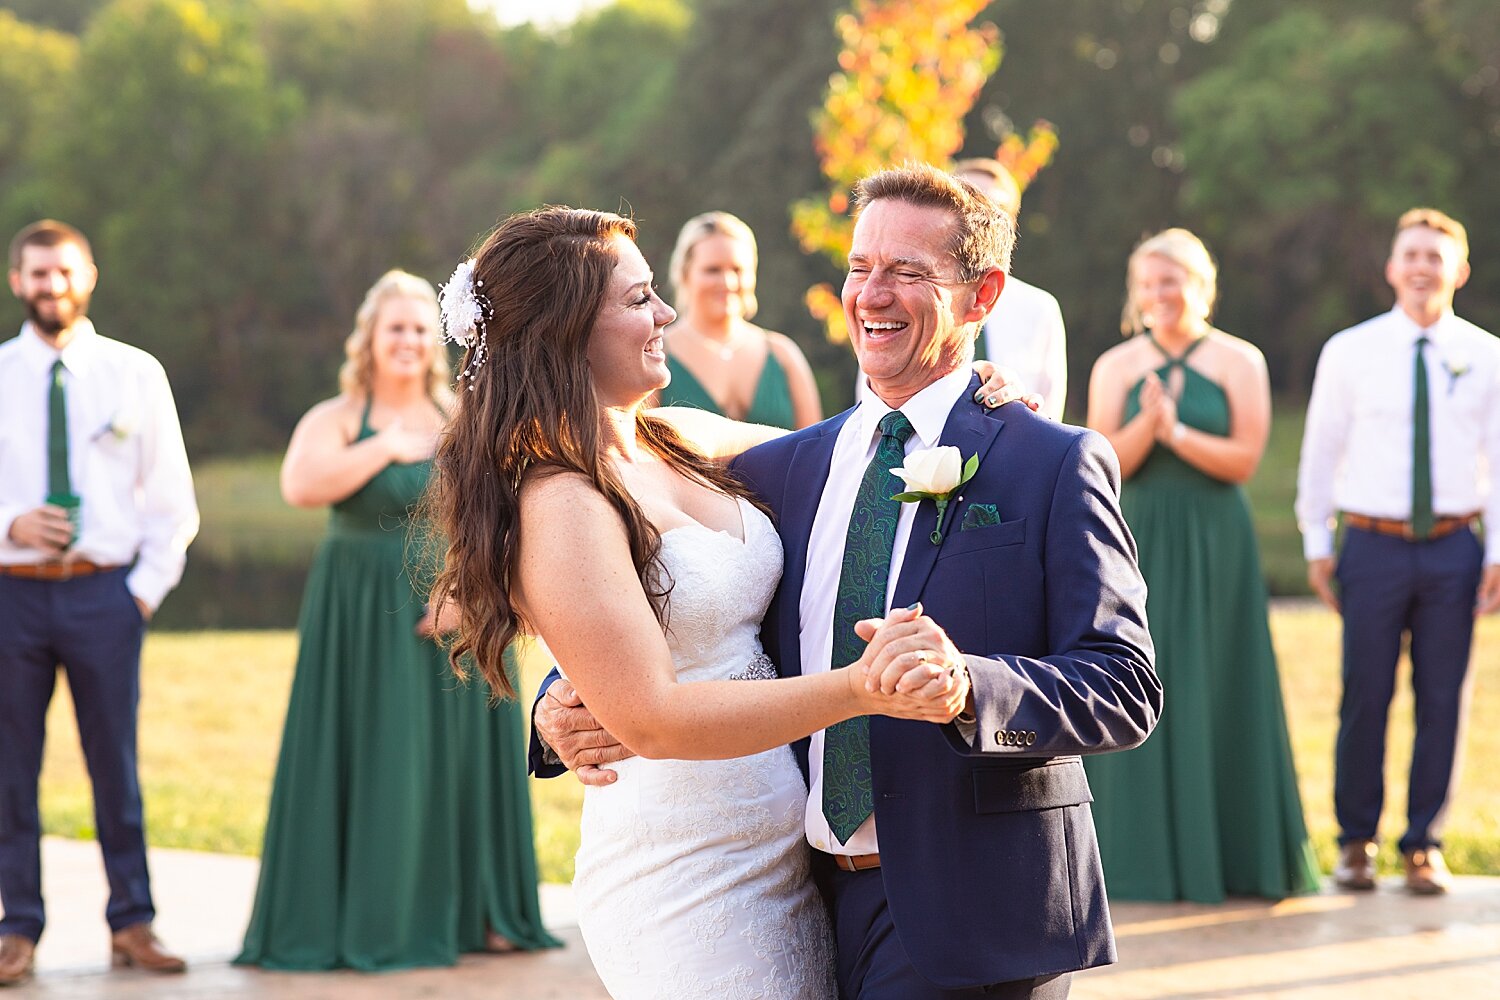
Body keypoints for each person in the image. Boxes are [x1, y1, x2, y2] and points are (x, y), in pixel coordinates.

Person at [528, 164, 1162, 999]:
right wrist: (557, 700)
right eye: (861, 267)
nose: (873, 294)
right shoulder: (787, 467)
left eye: (908, 272)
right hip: (800, 897)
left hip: (978, 908)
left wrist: (966, 688)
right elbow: (692, 598)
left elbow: (1125, 687)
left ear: (983, 296)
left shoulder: (1052, 460)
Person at [234, 270, 560, 971]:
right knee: (381, 758)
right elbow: (300, 485)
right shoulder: (336, 416)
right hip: (360, 615)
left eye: (419, 327)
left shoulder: (464, 415)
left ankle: (483, 912)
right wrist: (383, 446)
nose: (408, 340)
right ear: (370, 340)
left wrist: (474, 593)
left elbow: (510, 513)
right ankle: (372, 913)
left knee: (462, 760)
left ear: (434, 340)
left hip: (458, 609)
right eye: (395, 328)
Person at [1083, 228, 1319, 903]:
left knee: (1219, 677)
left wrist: (1179, 431)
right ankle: (1137, 859)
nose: (1161, 294)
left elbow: (1246, 459)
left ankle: (1235, 857)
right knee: (1137, 673)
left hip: (1218, 539)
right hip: (1141, 535)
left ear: (1201, 286)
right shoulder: (1116, 365)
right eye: (1150, 282)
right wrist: (1145, 429)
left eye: (1174, 280)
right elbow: (1102, 466)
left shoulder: (1239, 360)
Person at [0, 220, 199, 985]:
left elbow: (172, 503)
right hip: (14, 599)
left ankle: (133, 922)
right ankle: (16, 930)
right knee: (13, 770)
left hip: (105, 598)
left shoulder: (135, 374)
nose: (52, 285)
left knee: (114, 765)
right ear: (17, 281)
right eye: (37, 273)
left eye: (64, 271)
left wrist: (138, 597)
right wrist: (10, 523)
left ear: (89, 277)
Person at [1296, 208, 1500, 895]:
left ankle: (1424, 843)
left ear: (1459, 272)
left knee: (1443, 697)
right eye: (1411, 254)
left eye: (1435, 257)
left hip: (1454, 549)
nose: (1421, 267)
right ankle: (1357, 842)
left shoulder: (1486, 354)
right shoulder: (1350, 351)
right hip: (1372, 546)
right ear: (1391, 267)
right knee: (1365, 694)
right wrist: (1319, 542)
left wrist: (1497, 551)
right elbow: (1321, 450)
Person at [655, 210, 823, 428]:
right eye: (712, 270)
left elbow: (817, 448)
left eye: (737, 269)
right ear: (685, 274)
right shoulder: (658, 355)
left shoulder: (783, 355)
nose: (728, 282)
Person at [950, 158, 1067, 420]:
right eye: (967, 203)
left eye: (996, 209)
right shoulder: (909, 299)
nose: (979, 218)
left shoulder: (1040, 309)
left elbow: (1050, 414)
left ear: (1011, 226)